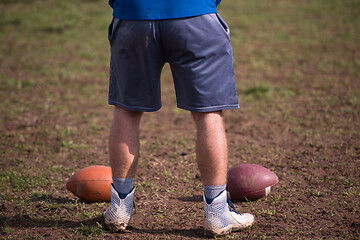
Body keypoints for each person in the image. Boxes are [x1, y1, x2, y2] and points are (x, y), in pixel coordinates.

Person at [103, 0, 255, 236]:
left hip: (133, 16)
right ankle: (217, 214)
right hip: (195, 14)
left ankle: (119, 208)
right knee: (209, 114)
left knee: (127, 110)